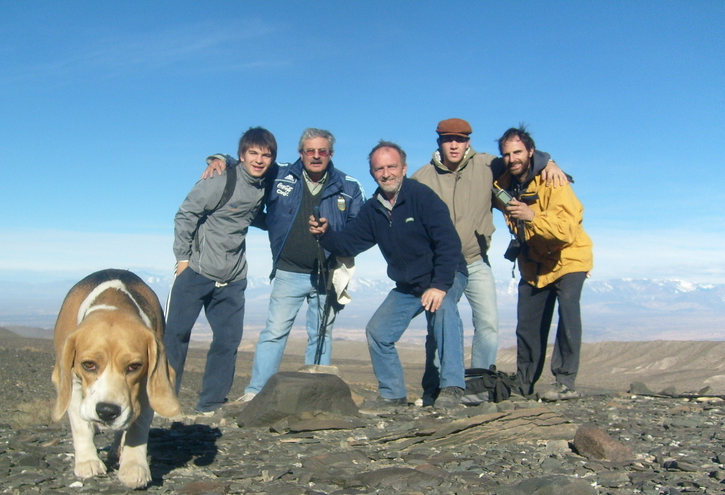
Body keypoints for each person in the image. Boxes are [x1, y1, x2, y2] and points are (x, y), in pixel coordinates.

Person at [203, 128, 365, 402]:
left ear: (331, 154)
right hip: (289, 271)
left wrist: (332, 236)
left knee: (322, 334)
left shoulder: (349, 187)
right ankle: (256, 393)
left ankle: (317, 394)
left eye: (322, 151)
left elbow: (359, 232)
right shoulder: (279, 174)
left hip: (328, 273)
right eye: (309, 151)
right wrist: (219, 158)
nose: (316, 156)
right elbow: (249, 164)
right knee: (274, 333)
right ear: (300, 153)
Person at [310, 141, 466, 406]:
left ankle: (452, 388)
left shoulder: (423, 198)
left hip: (443, 275)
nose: (386, 173)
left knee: (444, 309)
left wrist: (440, 285)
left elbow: (448, 244)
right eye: (379, 169)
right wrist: (326, 234)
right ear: (372, 173)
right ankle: (393, 395)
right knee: (378, 331)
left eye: (391, 167)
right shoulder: (373, 209)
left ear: (404, 168)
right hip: (408, 285)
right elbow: (349, 244)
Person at [411, 118, 567, 376]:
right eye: (448, 139)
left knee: (488, 324)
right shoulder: (421, 179)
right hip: (440, 266)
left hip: (475, 260)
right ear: (439, 142)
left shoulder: (487, 165)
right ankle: (438, 383)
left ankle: (479, 382)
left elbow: (520, 159)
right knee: (438, 324)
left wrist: (549, 162)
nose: (454, 145)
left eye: (459, 140)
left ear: (467, 143)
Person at [164, 127, 277, 414]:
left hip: (233, 277)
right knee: (175, 337)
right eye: (253, 153)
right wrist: (182, 259)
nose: (260, 160)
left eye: (266, 155)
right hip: (197, 271)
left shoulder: (265, 184)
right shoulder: (220, 178)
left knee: (227, 342)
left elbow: (252, 216)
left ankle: (211, 405)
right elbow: (186, 213)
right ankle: (163, 402)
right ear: (242, 155)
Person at [494, 126, 593, 401]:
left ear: (530, 152)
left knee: (568, 311)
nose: (512, 158)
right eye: (506, 154)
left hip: (568, 257)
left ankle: (564, 382)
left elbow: (567, 230)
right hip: (533, 263)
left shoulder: (554, 181)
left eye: (517, 152)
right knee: (527, 324)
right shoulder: (502, 182)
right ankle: (524, 384)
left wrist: (531, 215)